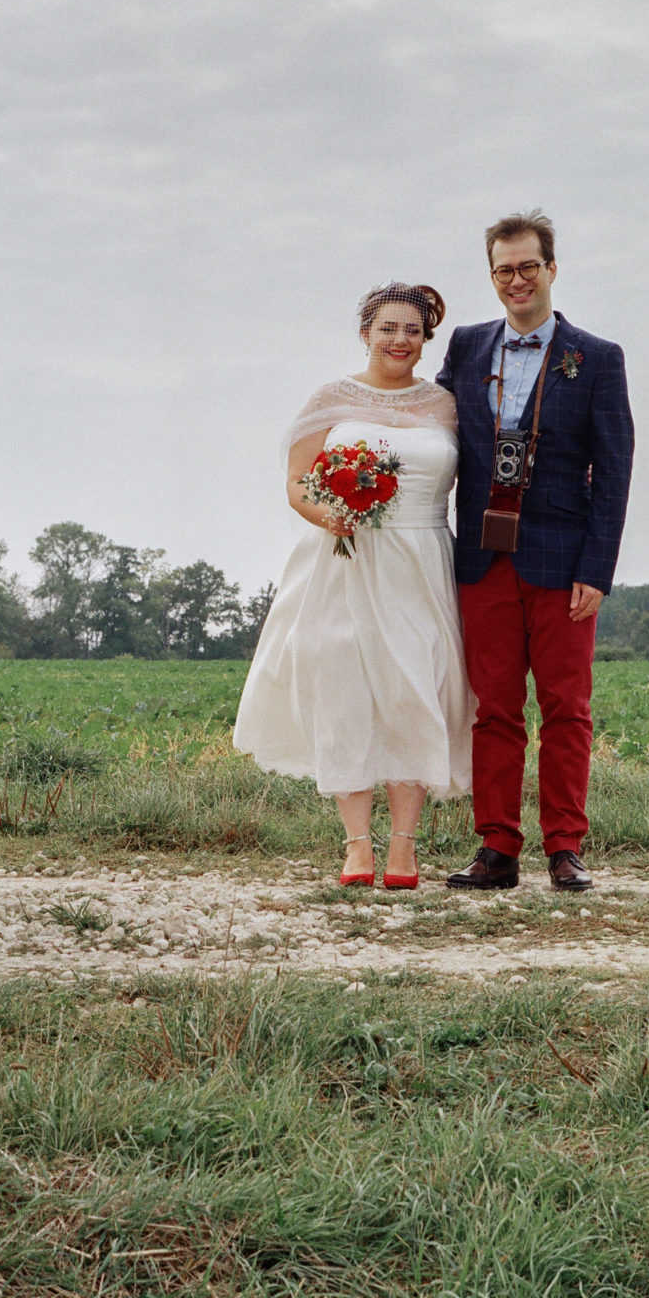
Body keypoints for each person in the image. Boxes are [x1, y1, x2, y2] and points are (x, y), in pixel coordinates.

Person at [233, 283, 472, 888]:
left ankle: (404, 850)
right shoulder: (332, 398)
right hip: (343, 558)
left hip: (421, 560)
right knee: (345, 689)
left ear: (426, 340)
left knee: (416, 687)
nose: (400, 340)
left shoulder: (445, 405)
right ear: (365, 332)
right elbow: (297, 482)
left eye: (413, 331)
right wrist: (331, 515)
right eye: (388, 328)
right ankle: (357, 847)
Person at [436, 211, 633, 892]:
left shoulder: (597, 357)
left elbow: (613, 473)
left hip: (563, 563)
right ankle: (496, 847)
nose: (515, 279)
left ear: (552, 268)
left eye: (527, 266)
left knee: (566, 708)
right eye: (502, 269)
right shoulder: (464, 348)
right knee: (492, 708)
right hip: (483, 561)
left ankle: (565, 848)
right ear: (491, 276)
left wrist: (597, 570)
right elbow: (427, 429)